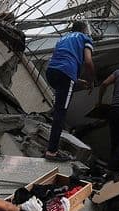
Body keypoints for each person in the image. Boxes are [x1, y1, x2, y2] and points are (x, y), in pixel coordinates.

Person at [44, 21, 95, 161]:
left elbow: (62, 63)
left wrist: (77, 81)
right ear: (84, 29)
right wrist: (91, 81)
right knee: (61, 111)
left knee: (59, 107)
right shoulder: (85, 38)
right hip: (65, 73)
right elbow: (88, 61)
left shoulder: (63, 38)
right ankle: (52, 152)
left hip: (52, 72)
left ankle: (51, 143)